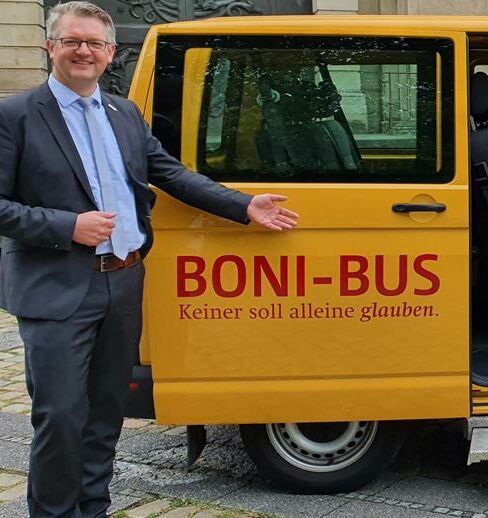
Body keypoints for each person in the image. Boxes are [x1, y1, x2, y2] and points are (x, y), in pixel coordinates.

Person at [0, 3, 300, 516]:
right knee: (61, 416)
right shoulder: (16, 115)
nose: (84, 51)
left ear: (111, 53)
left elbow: (173, 174)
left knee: (106, 414)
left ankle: (92, 507)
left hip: (122, 283)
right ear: (51, 47)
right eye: (73, 41)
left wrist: (243, 205)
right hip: (57, 288)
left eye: (95, 43)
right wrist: (66, 226)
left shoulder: (125, 114)